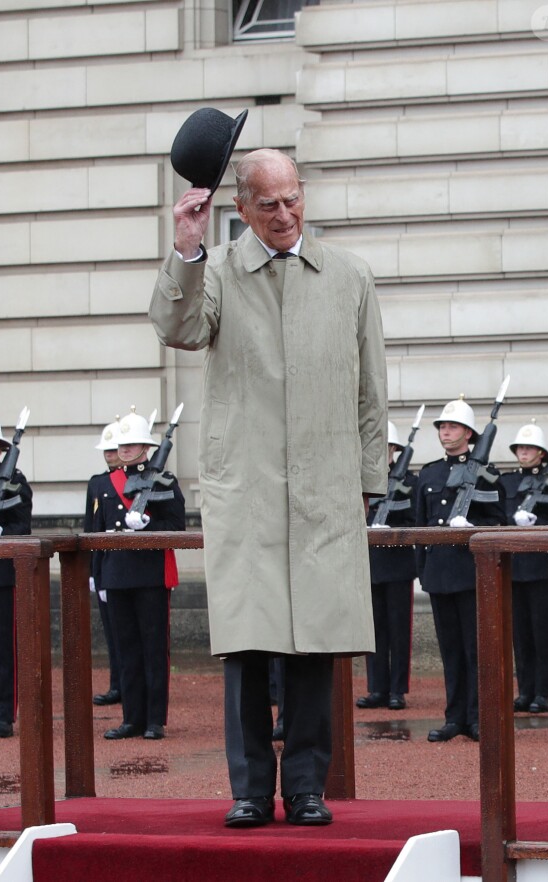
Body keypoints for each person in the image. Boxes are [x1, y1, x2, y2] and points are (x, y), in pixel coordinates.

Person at [149, 147, 388, 827]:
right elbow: (177, 328)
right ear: (242, 208)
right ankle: (251, 790)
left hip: (326, 485)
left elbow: (373, 387)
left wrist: (370, 480)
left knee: (315, 643)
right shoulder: (217, 270)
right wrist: (186, 249)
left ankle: (308, 786)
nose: (284, 216)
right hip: (247, 486)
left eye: (293, 200)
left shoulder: (349, 275)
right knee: (248, 645)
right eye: (268, 204)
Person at [415, 397, 505, 743]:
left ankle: (477, 716)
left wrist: (470, 523)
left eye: (451, 426)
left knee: (475, 650)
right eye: (441, 426)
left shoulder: (486, 473)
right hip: (439, 573)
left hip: (471, 574)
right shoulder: (430, 473)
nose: (445, 431)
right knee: (450, 651)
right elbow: (422, 531)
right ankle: (454, 717)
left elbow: (499, 521)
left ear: (468, 433)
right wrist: (423, 571)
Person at [92, 408, 185, 740]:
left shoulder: (163, 479)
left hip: (149, 574)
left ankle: (154, 720)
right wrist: (98, 576)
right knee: (126, 649)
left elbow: (177, 527)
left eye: (132, 445)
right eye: (122, 445)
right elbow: (99, 533)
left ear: (146, 448)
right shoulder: (106, 483)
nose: (125, 449)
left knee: (153, 648)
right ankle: (132, 717)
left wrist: (148, 525)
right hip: (117, 574)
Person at [499, 423, 548, 714]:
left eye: (529, 448)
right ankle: (525, 690)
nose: (523, 452)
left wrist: (537, 525)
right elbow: (499, 518)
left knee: (543, 633)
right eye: (520, 448)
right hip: (514, 567)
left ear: (541, 453)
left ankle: (543, 692)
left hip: (542, 567)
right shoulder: (506, 482)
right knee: (520, 633)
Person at [357, 420, 417, 711]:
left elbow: (416, 520)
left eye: (387, 447)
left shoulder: (409, 482)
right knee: (374, 630)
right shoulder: (360, 479)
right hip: (370, 564)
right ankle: (377, 687)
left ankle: (397, 689)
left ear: (395, 449)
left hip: (398, 564)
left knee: (398, 630)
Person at [0, 413, 33, 738]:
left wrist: (0, 531)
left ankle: (3, 713)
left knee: (3, 647)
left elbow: (23, 526)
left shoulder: (13, 481)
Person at [85, 419, 123, 707]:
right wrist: (91, 571)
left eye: (114, 449)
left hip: (125, 566)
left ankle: (126, 685)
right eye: (106, 450)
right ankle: (116, 682)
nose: (109, 454)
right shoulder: (97, 483)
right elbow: (92, 527)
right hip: (105, 564)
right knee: (111, 632)